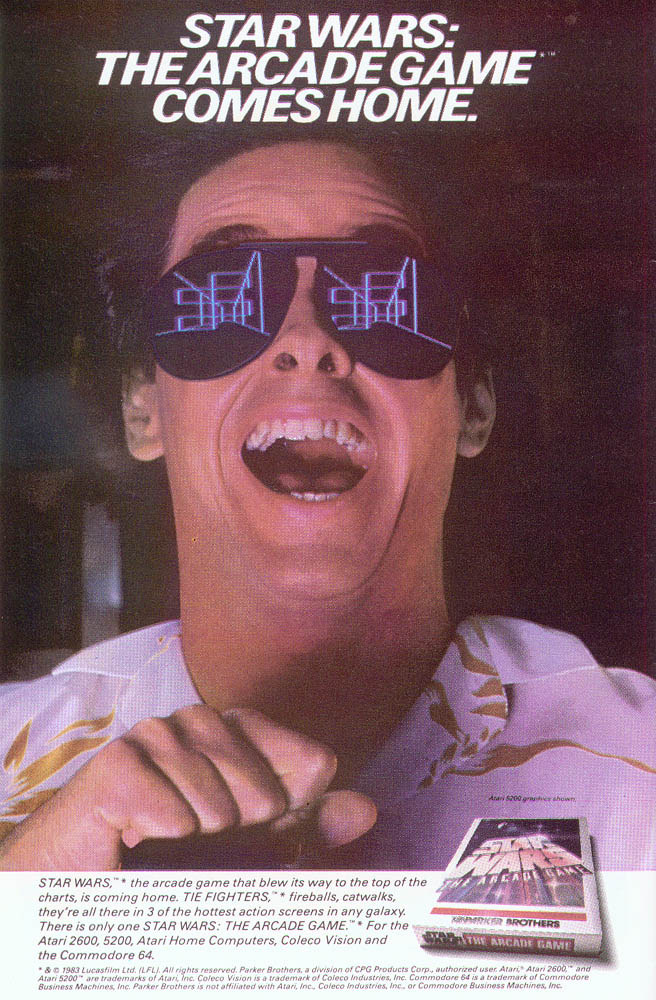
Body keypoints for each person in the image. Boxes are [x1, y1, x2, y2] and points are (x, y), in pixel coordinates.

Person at [0, 139, 654, 871]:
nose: (307, 339)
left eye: (384, 292)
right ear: (143, 408)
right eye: (223, 292)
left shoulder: (640, 772)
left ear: (473, 405)